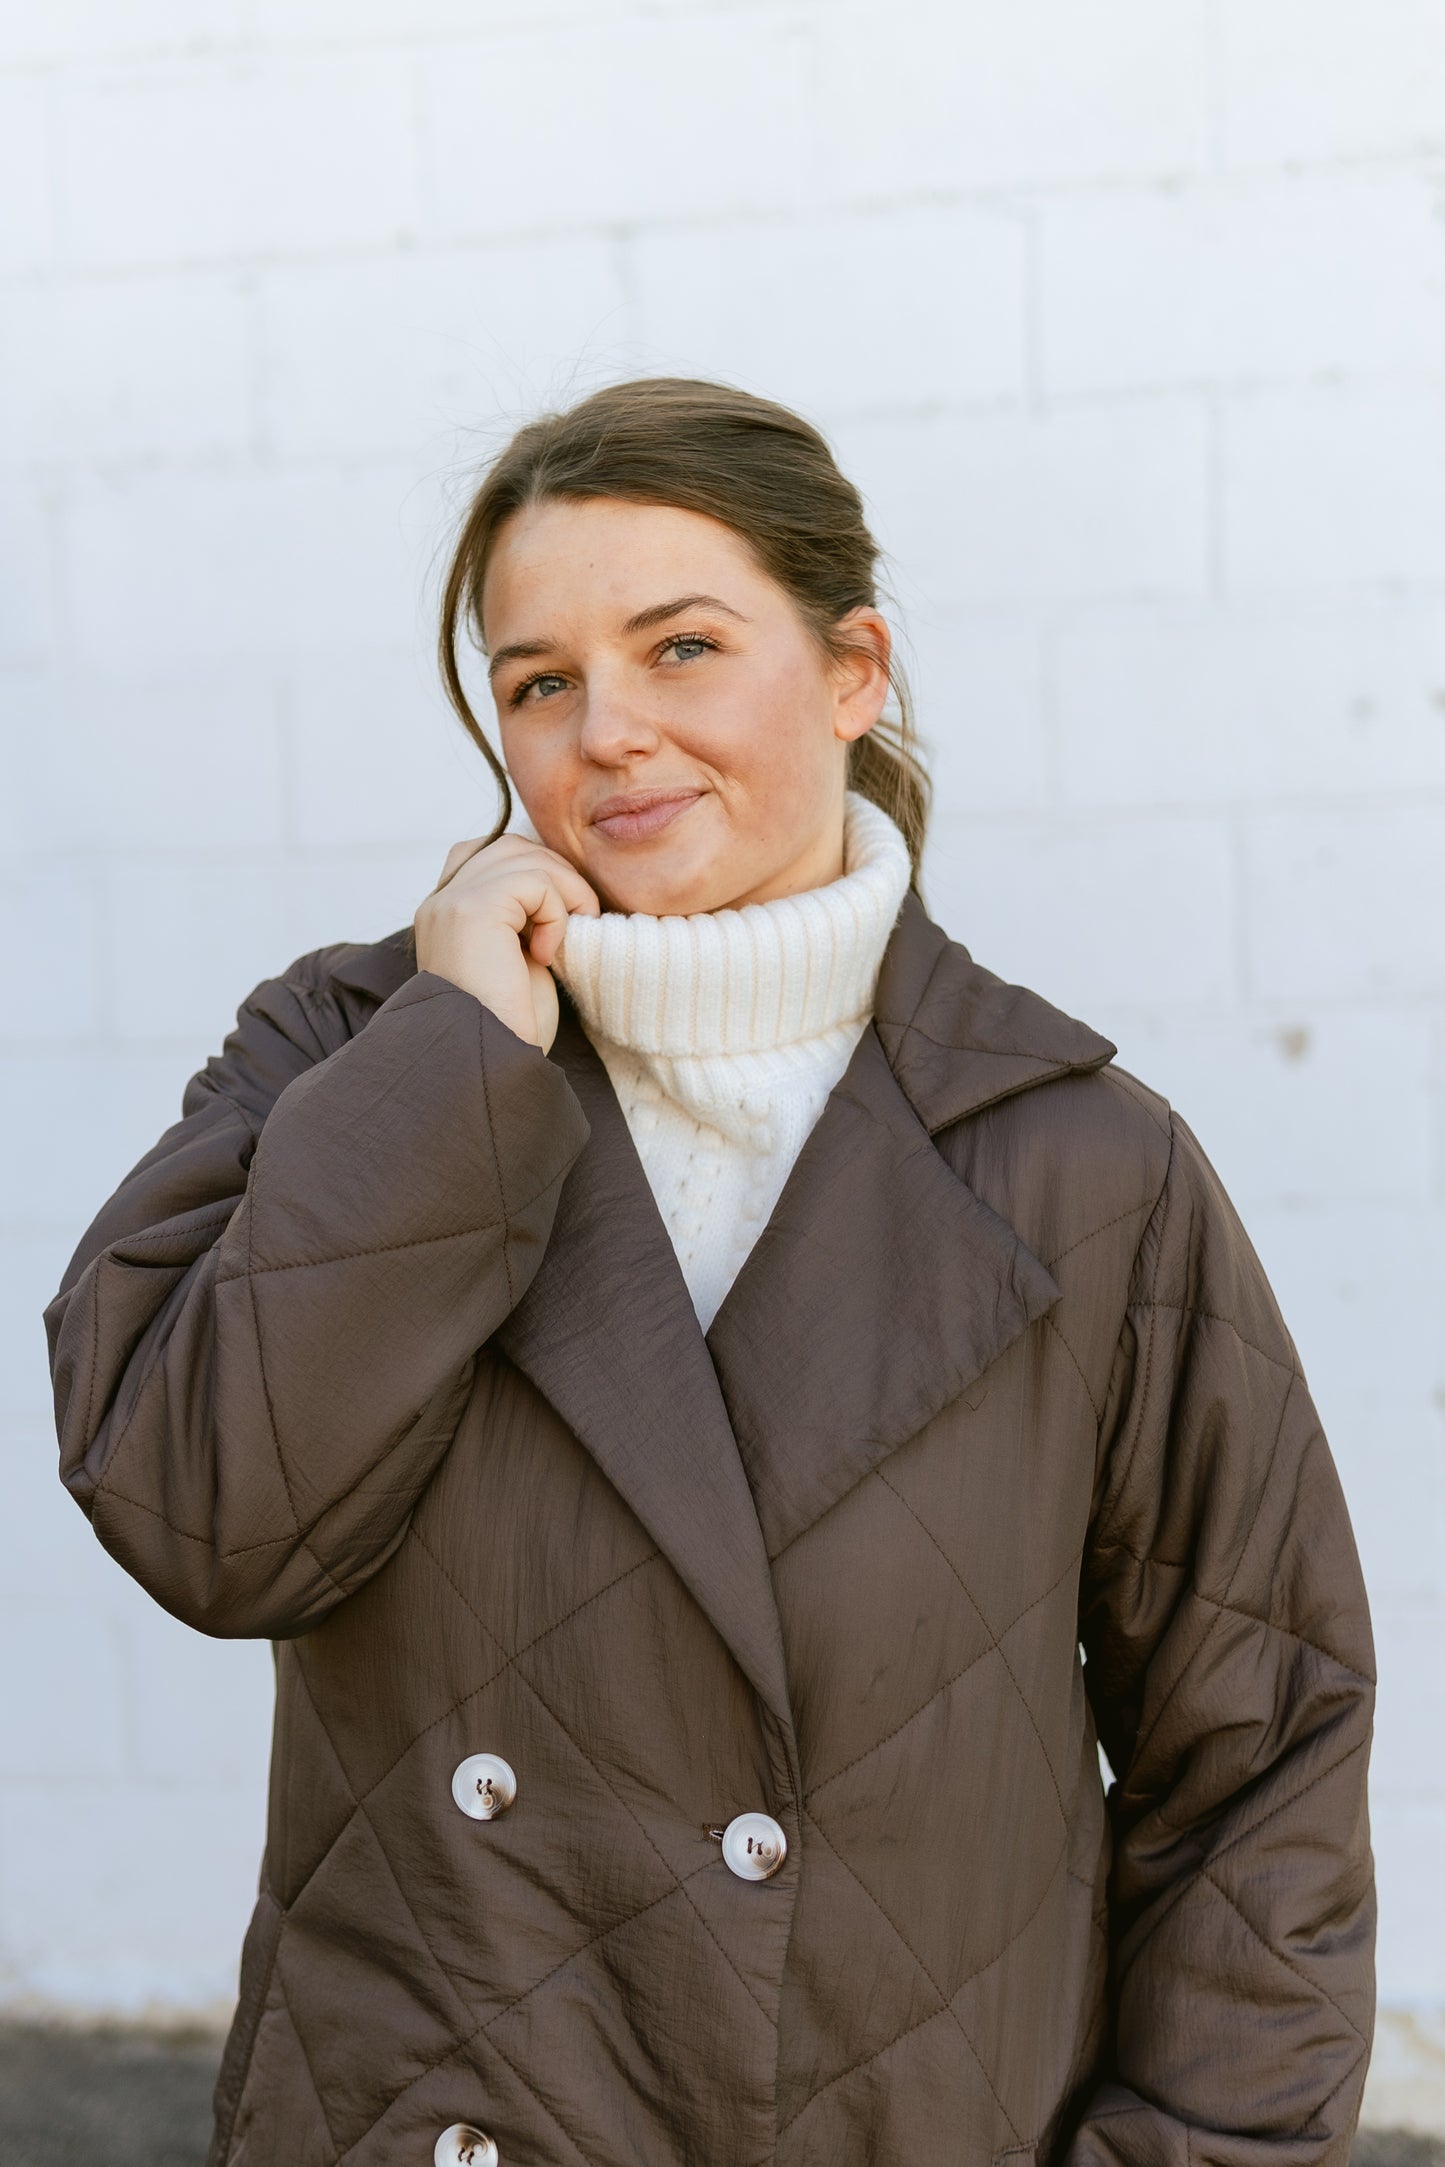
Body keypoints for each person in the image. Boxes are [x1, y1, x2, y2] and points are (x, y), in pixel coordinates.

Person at [43, 378, 1375, 2167]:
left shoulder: (1081, 1165)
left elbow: (1261, 1762)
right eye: (539, 682)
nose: (608, 732)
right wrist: (454, 1064)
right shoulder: (348, 1054)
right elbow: (203, 1516)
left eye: (680, 648)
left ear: (851, 671)